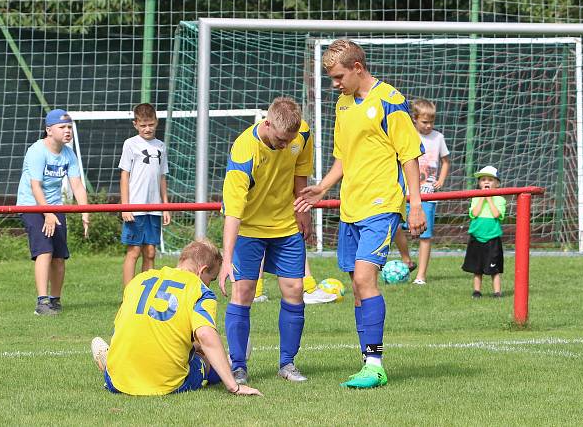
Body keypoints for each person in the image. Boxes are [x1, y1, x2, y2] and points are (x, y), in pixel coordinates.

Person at [294, 39, 426, 389]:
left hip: (382, 206)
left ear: (357, 68)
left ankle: (375, 364)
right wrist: (322, 187)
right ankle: (367, 360)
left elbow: (409, 155)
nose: (335, 84)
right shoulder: (343, 104)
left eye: (338, 77)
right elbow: (344, 157)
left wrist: (414, 204)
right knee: (356, 286)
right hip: (351, 206)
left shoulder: (390, 100)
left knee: (366, 279)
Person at [219, 97, 314, 385]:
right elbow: (233, 212)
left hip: (285, 226)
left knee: (295, 290)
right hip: (248, 228)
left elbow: (300, 172)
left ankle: (287, 363)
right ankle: (238, 366)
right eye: (281, 140)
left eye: (290, 140)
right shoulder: (244, 150)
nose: (286, 146)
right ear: (267, 123)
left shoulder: (302, 134)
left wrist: (303, 213)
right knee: (243, 293)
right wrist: (226, 261)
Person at [90, 239, 262, 397]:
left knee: (186, 343)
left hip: (116, 382)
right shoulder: (200, 291)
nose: (210, 284)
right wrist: (235, 387)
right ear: (202, 271)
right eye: (212, 278)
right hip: (166, 384)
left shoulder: (140, 279)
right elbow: (206, 336)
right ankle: (231, 363)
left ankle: (109, 363)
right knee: (202, 358)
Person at [17, 109, 90, 316]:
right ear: (49, 130)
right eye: (62, 127)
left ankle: (55, 301)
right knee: (45, 251)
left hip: (55, 207)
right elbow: (35, 186)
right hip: (31, 205)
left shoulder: (68, 153)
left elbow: (77, 186)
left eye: (69, 127)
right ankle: (42, 302)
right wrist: (47, 214)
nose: (68, 131)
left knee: (59, 256)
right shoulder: (37, 151)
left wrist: (86, 213)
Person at [393, 98, 450, 285]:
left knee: (425, 235)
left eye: (432, 122)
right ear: (414, 119)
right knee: (394, 227)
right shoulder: (407, 136)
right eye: (425, 122)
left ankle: (421, 276)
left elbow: (446, 161)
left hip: (427, 196)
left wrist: (440, 180)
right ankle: (406, 259)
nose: (429, 126)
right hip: (406, 194)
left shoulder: (438, 138)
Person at [118, 103, 170, 287]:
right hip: (136, 207)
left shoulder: (161, 146)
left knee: (150, 252)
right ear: (135, 124)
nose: (147, 129)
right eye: (143, 125)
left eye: (150, 124)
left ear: (156, 122)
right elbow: (124, 175)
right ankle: (129, 294)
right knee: (134, 251)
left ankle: (145, 293)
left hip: (154, 208)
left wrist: (165, 206)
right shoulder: (130, 144)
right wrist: (126, 205)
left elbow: (162, 176)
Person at [461, 166, 505, 298]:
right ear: (479, 183)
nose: (486, 182)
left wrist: (490, 199)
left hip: (492, 238)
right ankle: (477, 291)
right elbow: (474, 213)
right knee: (477, 268)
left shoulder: (500, 199)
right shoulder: (475, 198)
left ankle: (497, 292)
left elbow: (497, 214)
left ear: (497, 184)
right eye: (483, 179)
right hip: (477, 237)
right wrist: (482, 197)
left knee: (494, 269)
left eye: (490, 180)